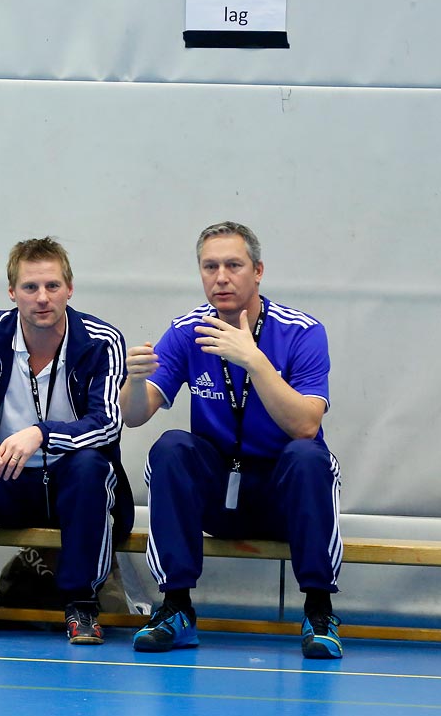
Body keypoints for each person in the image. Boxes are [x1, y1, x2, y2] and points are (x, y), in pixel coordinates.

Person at [120, 222, 343, 657]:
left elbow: (307, 425)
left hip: (283, 496)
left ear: (257, 271)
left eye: (233, 265)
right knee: (171, 447)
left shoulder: (301, 331)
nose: (221, 277)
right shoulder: (188, 331)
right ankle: (176, 608)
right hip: (218, 494)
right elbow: (135, 416)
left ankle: (319, 612)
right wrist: (131, 382)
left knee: (308, 456)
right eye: (210, 266)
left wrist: (255, 362)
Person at [0, 237, 133, 644]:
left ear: (69, 288)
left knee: (93, 466)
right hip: (2, 478)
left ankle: (81, 604)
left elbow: (108, 424)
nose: (42, 298)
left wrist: (42, 433)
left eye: (52, 286)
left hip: (69, 483)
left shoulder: (102, 340)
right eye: (30, 287)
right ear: (12, 292)